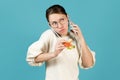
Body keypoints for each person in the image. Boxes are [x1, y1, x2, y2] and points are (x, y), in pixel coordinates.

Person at [26, 4, 95, 80]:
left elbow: (88, 64)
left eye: (62, 20)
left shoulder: (75, 37)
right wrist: (54, 53)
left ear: (67, 17)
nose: (60, 26)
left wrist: (81, 39)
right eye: (54, 23)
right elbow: (33, 58)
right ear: (50, 25)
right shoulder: (49, 35)